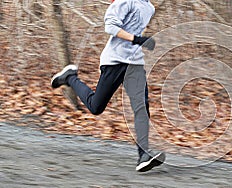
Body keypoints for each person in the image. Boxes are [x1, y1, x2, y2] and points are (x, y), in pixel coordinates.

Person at [50, 0, 165, 172]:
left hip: (134, 63)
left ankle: (143, 155)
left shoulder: (149, 7)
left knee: (141, 106)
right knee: (96, 107)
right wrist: (137, 39)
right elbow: (110, 26)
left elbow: (133, 28)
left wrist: (141, 42)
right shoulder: (126, 1)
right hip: (115, 61)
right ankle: (70, 78)